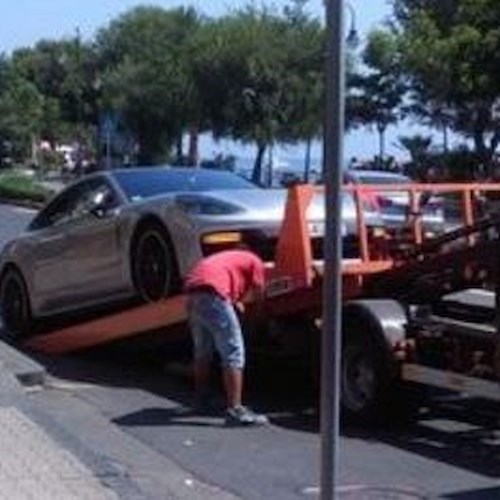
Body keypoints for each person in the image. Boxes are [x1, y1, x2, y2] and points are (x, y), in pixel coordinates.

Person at [184, 249, 269, 426]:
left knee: (203, 352)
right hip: (214, 295)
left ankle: (201, 399)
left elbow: (231, 288)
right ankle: (235, 410)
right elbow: (260, 292)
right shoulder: (256, 261)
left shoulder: (228, 258)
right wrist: (261, 319)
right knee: (234, 352)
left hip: (192, 296)